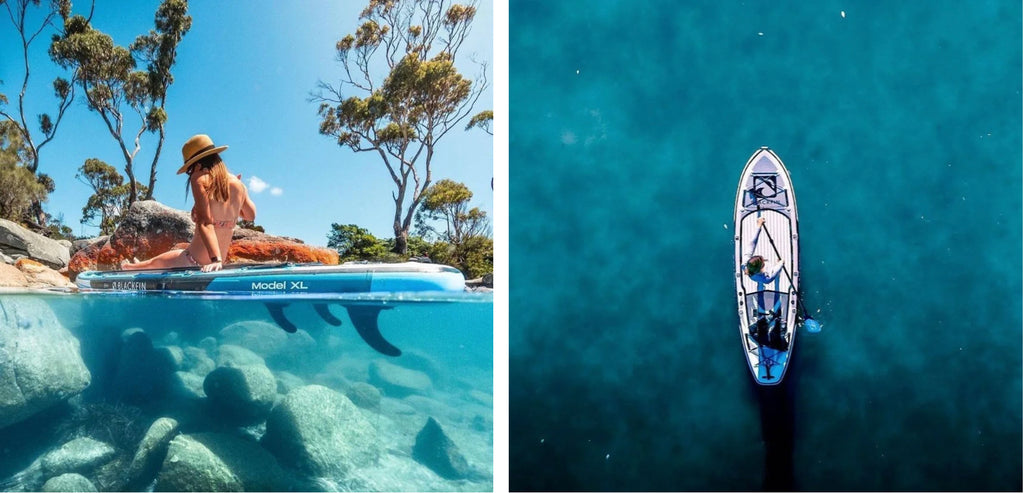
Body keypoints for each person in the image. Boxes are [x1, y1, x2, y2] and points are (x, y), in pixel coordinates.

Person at [122, 134, 256, 272]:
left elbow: (205, 222)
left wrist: (216, 259)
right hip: (215, 262)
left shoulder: (199, 178)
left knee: (158, 262)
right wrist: (238, 196)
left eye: (189, 170)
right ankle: (139, 265)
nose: (190, 174)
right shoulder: (239, 185)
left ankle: (131, 267)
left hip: (193, 261)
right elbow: (250, 215)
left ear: (197, 164)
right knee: (160, 260)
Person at [741, 217, 785, 283]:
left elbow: (752, 243)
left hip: (757, 273)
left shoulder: (745, 263)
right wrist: (780, 262)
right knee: (777, 270)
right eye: (763, 262)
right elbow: (781, 264)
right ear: (761, 267)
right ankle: (777, 272)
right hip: (769, 272)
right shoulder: (767, 278)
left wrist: (759, 226)